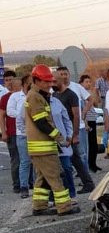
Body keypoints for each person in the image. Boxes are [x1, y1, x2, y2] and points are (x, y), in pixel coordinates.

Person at [25, 65, 79, 216]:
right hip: (44, 147)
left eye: (51, 82)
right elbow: (41, 122)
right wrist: (59, 137)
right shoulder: (35, 97)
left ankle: (39, 206)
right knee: (56, 176)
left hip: (40, 147)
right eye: (46, 82)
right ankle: (65, 207)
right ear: (36, 80)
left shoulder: (38, 95)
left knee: (42, 178)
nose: (50, 85)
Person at [53, 71, 95, 193]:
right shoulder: (55, 95)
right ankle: (87, 183)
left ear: (61, 80)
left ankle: (87, 183)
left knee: (76, 158)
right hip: (62, 133)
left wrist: (75, 135)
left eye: (55, 81)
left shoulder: (71, 95)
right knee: (75, 159)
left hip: (70, 132)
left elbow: (76, 115)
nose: (53, 84)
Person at [49, 84, 76, 199]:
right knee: (50, 172)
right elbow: (22, 121)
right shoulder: (34, 103)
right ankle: (51, 198)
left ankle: (71, 194)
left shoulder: (56, 102)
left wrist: (69, 135)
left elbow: (67, 120)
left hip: (62, 142)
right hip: (46, 144)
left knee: (66, 168)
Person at [11, 76, 33, 198]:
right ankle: (24, 187)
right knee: (25, 162)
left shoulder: (39, 98)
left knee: (36, 163)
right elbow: (19, 120)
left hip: (36, 137)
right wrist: (27, 131)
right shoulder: (21, 100)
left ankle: (36, 185)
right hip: (23, 136)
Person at [0, 71, 21, 193]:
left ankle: (28, 183)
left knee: (27, 160)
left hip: (23, 133)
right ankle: (16, 185)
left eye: (11, 80)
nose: (9, 83)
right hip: (12, 133)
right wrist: (4, 132)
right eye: (6, 80)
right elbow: (1, 116)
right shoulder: (5, 98)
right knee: (15, 160)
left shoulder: (23, 95)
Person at [80, 75, 102, 172]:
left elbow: (95, 104)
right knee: (89, 145)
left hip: (92, 119)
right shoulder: (80, 94)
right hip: (87, 121)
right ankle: (89, 165)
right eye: (86, 82)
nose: (88, 84)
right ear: (81, 83)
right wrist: (85, 123)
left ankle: (93, 163)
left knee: (94, 144)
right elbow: (82, 110)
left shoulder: (89, 93)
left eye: (89, 82)